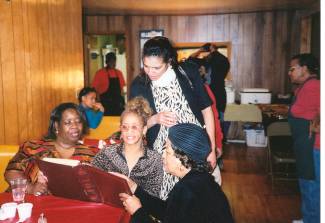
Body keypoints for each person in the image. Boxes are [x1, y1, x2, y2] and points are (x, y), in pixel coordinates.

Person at [130, 36, 216, 199]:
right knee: (169, 200)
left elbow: (206, 110)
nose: (150, 72)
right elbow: (134, 124)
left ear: (169, 61)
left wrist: (210, 148)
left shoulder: (187, 72)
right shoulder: (139, 85)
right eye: (146, 66)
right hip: (164, 155)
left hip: (195, 147)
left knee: (199, 199)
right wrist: (156, 119)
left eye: (156, 68)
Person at [118, 123, 234, 223]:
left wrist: (137, 212)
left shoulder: (187, 189)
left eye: (167, 151)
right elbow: (170, 212)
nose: (162, 155)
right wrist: (135, 188)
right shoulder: (201, 180)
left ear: (181, 158)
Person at [5, 103, 98, 195]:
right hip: (25, 204)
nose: (75, 126)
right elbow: (11, 172)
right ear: (56, 126)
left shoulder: (90, 154)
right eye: (68, 122)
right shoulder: (33, 147)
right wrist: (30, 188)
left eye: (78, 121)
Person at [92, 97, 163, 197]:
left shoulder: (154, 160)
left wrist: (133, 187)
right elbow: (90, 179)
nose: (129, 132)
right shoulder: (107, 153)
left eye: (134, 127)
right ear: (120, 129)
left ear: (144, 130)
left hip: (139, 211)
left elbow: (153, 197)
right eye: (125, 127)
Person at [287, 53, 320, 223]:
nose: (289, 72)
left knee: (313, 186)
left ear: (305, 69)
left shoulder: (314, 86)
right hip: (305, 144)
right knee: (306, 184)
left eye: (292, 68)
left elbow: (298, 111)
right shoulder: (304, 87)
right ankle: (309, 218)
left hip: (314, 145)